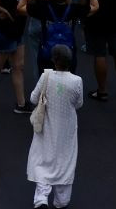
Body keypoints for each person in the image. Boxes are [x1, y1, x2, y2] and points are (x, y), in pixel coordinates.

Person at [26, 45, 84, 209]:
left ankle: (41, 198)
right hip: (67, 129)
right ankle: (61, 201)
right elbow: (78, 104)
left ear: (54, 60)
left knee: (43, 159)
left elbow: (32, 98)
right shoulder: (77, 81)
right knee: (65, 161)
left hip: (46, 126)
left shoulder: (46, 76)